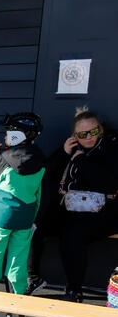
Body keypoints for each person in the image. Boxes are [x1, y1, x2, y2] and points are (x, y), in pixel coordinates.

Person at [0, 112, 45, 294]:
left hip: (2, 216)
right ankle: (18, 293)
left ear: (17, 135)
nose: (6, 136)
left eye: (8, 132)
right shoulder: (40, 158)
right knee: (18, 259)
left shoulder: (3, 157)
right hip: (26, 216)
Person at [55, 108, 118, 302]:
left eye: (94, 131)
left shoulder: (111, 147)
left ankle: (74, 289)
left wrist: (82, 161)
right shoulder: (72, 151)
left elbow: (109, 183)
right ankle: (32, 278)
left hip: (107, 211)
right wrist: (63, 153)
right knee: (38, 226)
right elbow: (48, 176)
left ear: (101, 129)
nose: (89, 137)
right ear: (75, 136)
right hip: (75, 210)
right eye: (83, 134)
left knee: (73, 236)